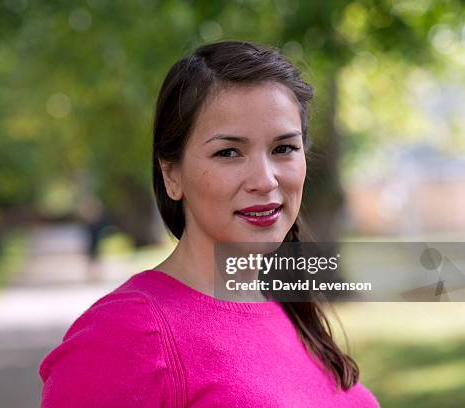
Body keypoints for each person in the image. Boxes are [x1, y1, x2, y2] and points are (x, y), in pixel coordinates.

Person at [39, 40, 380, 407]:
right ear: (171, 175)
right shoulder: (125, 336)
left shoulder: (289, 311)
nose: (265, 180)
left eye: (283, 149)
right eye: (228, 152)